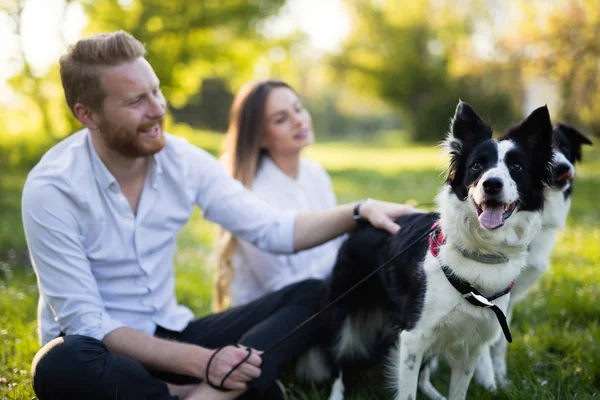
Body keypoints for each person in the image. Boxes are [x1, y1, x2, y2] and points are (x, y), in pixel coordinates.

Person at [22, 31, 420, 400]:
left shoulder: (182, 160)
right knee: (59, 364)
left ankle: (206, 391)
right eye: (135, 102)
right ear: (87, 115)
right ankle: (215, 391)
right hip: (102, 354)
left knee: (313, 292)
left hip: (174, 333)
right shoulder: (53, 189)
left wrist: (358, 211)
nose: (158, 109)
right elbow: (87, 323)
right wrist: (207, 364)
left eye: (156, 92)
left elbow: (271, 229)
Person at [214, 79, 343, 311]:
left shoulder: (315, 174)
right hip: (273, 318)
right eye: (281, 119)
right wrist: (348, 256)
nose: (298, 120)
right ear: (260, 136)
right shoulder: (252, 196)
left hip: (324, 301)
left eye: (298, 108)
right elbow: (281, 289)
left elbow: (334, 243)